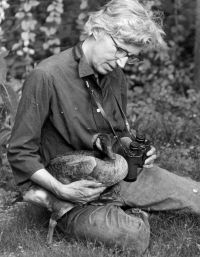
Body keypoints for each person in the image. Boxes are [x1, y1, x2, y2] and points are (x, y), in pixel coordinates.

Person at [7, 0, 200, 255]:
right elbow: (20, 152)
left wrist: (135, 149)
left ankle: (122, 204)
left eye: (130, 57)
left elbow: (119, 134)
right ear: (98, 31)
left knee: (194, 194)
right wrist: (60, 189)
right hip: (75, 191)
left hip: (118, 172)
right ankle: (56, 204)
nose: (122, 63)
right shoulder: (46, 76)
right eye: (120, 50)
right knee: (133, 238)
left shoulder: (116, 77)